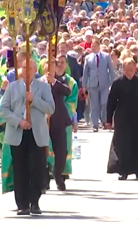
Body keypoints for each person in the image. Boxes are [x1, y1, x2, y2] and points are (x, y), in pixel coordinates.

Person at [0, 59, 55, 216]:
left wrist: (34, 100)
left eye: (29, 68)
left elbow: (51, 107)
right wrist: (18, 121)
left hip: (36, 133)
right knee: (20, 169)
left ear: (35, 69)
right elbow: (3, 109)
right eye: (23, 68)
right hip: (18, 132)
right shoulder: (13, 87)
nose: (26, 71)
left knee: (36, 168)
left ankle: (35, 202)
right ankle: (22, 204)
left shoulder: (43, 87)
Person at [106, 58, 138, 180]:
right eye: (127, 70)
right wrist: (109, 119)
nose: (129, 72)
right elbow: (111, 103)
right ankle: (123, 171)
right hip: (123, 118)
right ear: (123, 70)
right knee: (123, 145)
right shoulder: (117, 83)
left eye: (131, 70)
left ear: (135, 69)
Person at [45, 55, 77, 191]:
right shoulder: (41, 81)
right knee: (44, 150)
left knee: (62, 151)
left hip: (60, 120)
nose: (59, 66)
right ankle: (45, 177)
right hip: (44, 121)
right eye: (56, 63)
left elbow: (69, 94)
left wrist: (54, 82)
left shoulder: (68, 82)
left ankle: (58, 174)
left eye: (61, 63)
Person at [83, 38, 116, 132]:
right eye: (91, 46)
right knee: (94, 105)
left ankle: (104, 121)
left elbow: (110, 70)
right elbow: (85, 72)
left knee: (104, 103)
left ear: (98, 46)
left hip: (104, 83)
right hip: (92, 84)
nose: (92, 48)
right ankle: (95, 125)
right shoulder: (88, 58)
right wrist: (84, 85)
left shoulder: (106, 56)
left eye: (94, 46)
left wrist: (112, 83)